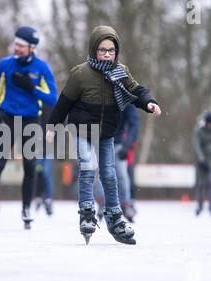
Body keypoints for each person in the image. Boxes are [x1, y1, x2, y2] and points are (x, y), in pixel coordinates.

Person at [47, 26, 161, 244]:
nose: (107, 54)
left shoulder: (120, 71)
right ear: (93, 50)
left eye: (111, 50)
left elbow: (136, 91)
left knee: (109, 174)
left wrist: (149, 103)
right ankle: (87, 212)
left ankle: (114, 216)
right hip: (82, 130)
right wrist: (52, 127)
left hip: (107, 133)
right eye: (102, 50)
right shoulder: (80, 73)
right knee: (88, 167)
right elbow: (64, 102)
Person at [0, 26, 57, 230]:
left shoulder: (42, 68)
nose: (16, 48)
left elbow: (53, 98)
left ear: (32, 47)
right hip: (7, 118)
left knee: (30, 166)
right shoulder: (5, 64)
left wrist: (32, 88)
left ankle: (27, 208)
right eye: (15, 44)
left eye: (21, 45)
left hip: (30, 121)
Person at [114, 103, 140, 222]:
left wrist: (127, 145)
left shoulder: (126, 98)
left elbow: (134, 124)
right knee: (102, 175)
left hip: (119, 143)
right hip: (101, 140)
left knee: (122, 175)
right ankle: (102, 203)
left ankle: (126, 203)